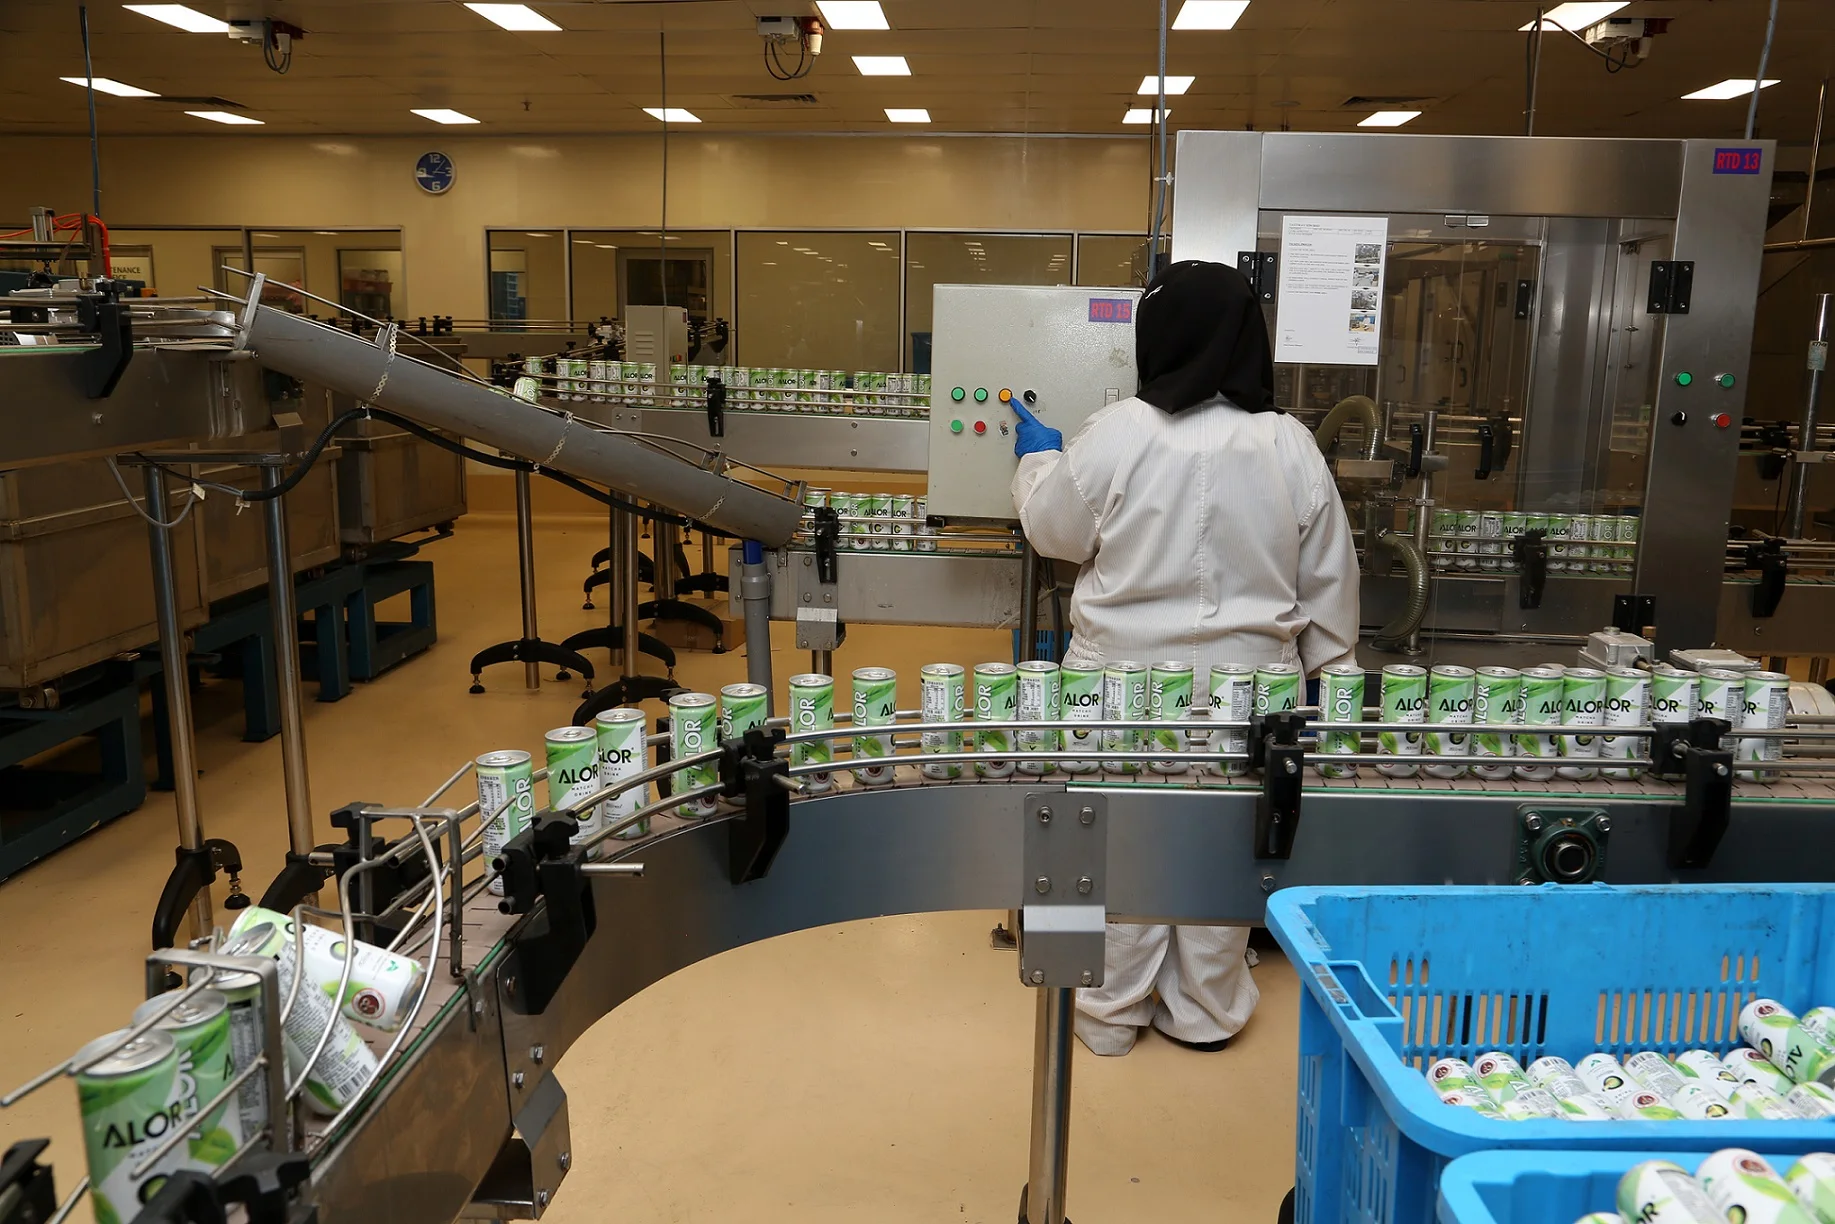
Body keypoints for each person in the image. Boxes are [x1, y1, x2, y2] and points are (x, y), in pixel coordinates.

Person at [1008, 260, 1360, 1057]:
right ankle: (1205, 1011)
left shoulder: (1118, 431)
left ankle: (1105, 1014)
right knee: (1223, 843)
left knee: (1111, 839)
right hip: (1251, 691)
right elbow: (1330, 586)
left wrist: (1035, 461)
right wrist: (1323, 677)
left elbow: (1055, 533)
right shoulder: (1288, 443)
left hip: (1118, 684)